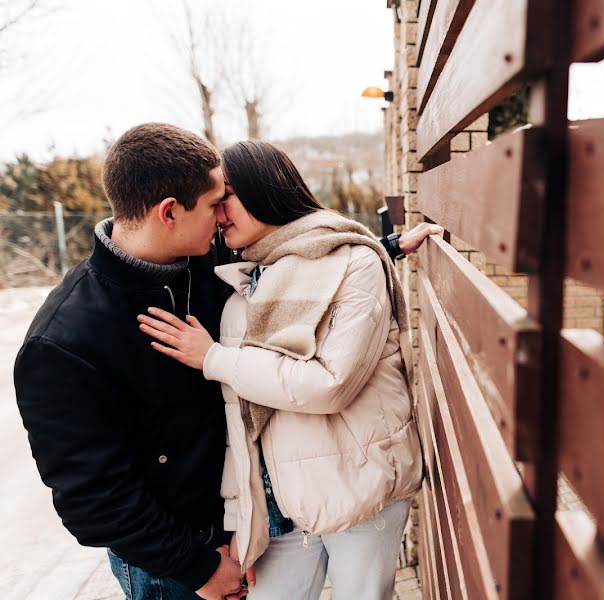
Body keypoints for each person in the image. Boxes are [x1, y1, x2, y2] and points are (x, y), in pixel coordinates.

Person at [13, 123, 438, 600]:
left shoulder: (206, 264)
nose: (222, 218)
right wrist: (196, 568)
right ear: (169, 212)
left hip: (245, 526)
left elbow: (302, 272)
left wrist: (383, 250)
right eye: (216, 203)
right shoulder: (64, 341)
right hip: (170, 563)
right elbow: (92, 500)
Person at [137, 140, 424, 600]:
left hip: (360, 488)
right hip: (276, 507)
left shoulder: (357, 262)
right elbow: (238, 422)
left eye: (224, 196)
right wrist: (240, 518)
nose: (218, 214)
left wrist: (214, 359)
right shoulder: (245, 283)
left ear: (262, 188)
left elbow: (329, 384)